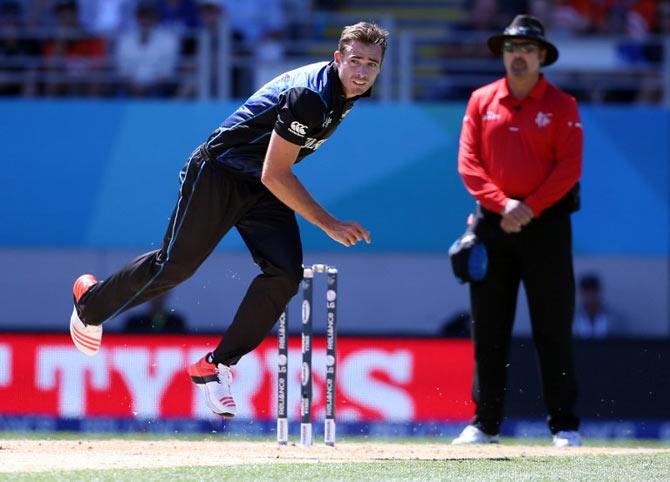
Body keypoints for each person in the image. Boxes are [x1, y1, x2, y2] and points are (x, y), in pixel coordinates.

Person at [68, 22, 388, 419]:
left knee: (284, 275)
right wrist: (329, 224)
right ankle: (90, 304)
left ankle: (215, 366)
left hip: (259, 182)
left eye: (371, 65)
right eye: (355, 61)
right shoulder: (312, 95)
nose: (362, 72)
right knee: (176, 266)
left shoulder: (346, 92)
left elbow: (270, 173)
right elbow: (276, 173)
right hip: (219, 172)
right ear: (337, 58)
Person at [451, 15, 584, 447]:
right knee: (488, 327)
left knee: (552, 326)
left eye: (526, 48)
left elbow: (569, 168)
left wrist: (528, 208)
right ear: (503, 54)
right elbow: (469, 164)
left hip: (546, 225)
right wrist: (504, 205)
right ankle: (484, 424)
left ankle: (564, 425)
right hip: (493, 223)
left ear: (542, 55)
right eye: (511, 47)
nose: (518, 55)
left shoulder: (562, 105)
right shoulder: (481, 100)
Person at [123, 293, 187, 334]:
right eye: (154, 293)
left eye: (161, 292)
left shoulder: (176, 322)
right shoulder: (134, 323)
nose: (157, 297)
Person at [573, 273, 612, 339]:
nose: (590, 296)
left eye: (593, 292)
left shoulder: (614, 319)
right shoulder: (573, 318)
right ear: (581, 293)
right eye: (586, 292)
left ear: (599, 292)